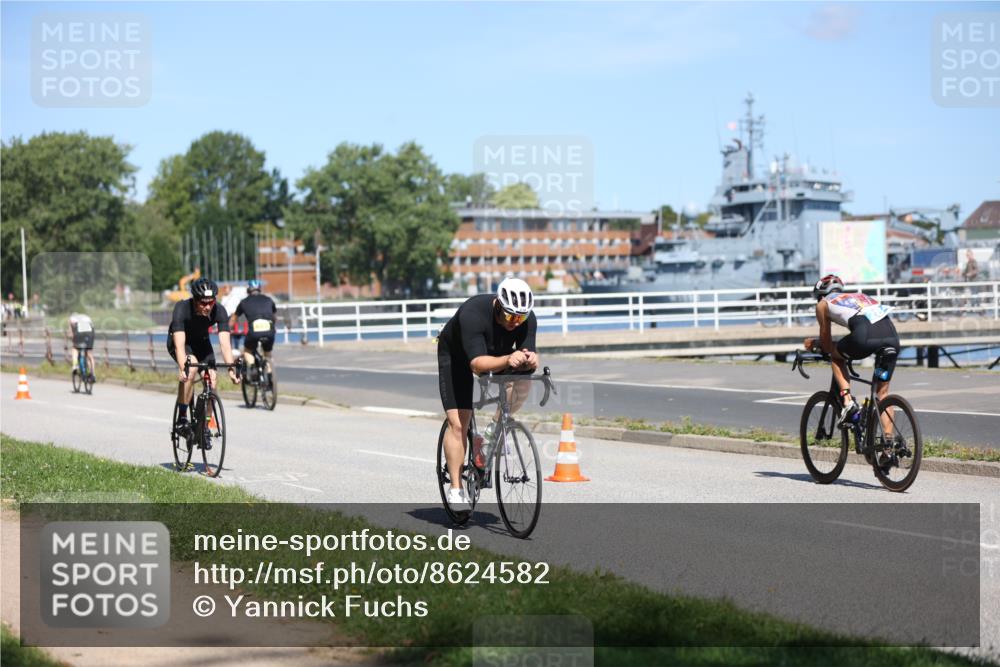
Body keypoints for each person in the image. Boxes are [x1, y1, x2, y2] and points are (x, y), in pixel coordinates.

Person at [437, 277, 539, 511]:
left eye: (520, 318)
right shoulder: (473, 313)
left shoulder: (526, 318)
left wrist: (531, 359)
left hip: (496, 352)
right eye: (511, 316)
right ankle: (456, 489)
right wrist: (507, 359)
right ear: (498, 305)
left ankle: (491, 433)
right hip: (458, 357)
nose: (516, 323)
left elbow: (527, 356)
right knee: (459, 423)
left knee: (524, 382)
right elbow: (476, 365)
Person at [803, 274, 900, 429]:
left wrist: (816, 343)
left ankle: (848, 402)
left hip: (864, 338)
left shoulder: (823, 304)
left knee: (836, 357)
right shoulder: (861, 296)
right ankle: (888, 445)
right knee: (882, 394)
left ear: (820, 295)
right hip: (891, 338)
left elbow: (827, 345)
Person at [168, 278, 240, 434]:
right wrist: (183, 368)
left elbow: (225, 345)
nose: (207, 307)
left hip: (202, 343)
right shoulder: (181, 308)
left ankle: (205, 425)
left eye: (211, 302)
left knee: (212, 381)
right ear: (194, 300)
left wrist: (231, 370)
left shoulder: (219, 310)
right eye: (203, 303)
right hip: (182, 342)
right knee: (191, 369)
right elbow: (180, 346)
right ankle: (181, 418)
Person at [228, 279, 277, 380]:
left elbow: (234, 318)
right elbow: (274, 317)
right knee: (267, 353)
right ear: (259, 289)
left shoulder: (244, 302)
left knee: (247, 350)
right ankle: (270, 377)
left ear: (248, 290)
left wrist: (228, 329)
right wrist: (273, 327)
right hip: (269, 329)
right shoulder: (269, 299)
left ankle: (252, 367)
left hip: (254, 331)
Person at [67, 312, 96, 382]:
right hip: (90, 332)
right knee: (89, 354)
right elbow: (92, 326)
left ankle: (74, 366)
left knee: (75, 349)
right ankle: (93, 374)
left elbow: (70, 333)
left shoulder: (71, 318)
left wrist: (70, 337)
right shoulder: (86, 317)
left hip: (79, 331)